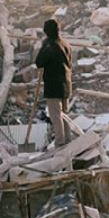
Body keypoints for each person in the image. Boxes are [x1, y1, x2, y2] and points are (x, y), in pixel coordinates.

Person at [35, 18, 73, 147]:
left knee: (55, 115)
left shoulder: (49, 45)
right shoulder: (65, 43)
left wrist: (43, 45)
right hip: (66, 83)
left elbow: (39, 62)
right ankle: (68, 140)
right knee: (64, 115)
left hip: (53, 85)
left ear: (46, 31)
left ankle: (60, 143)